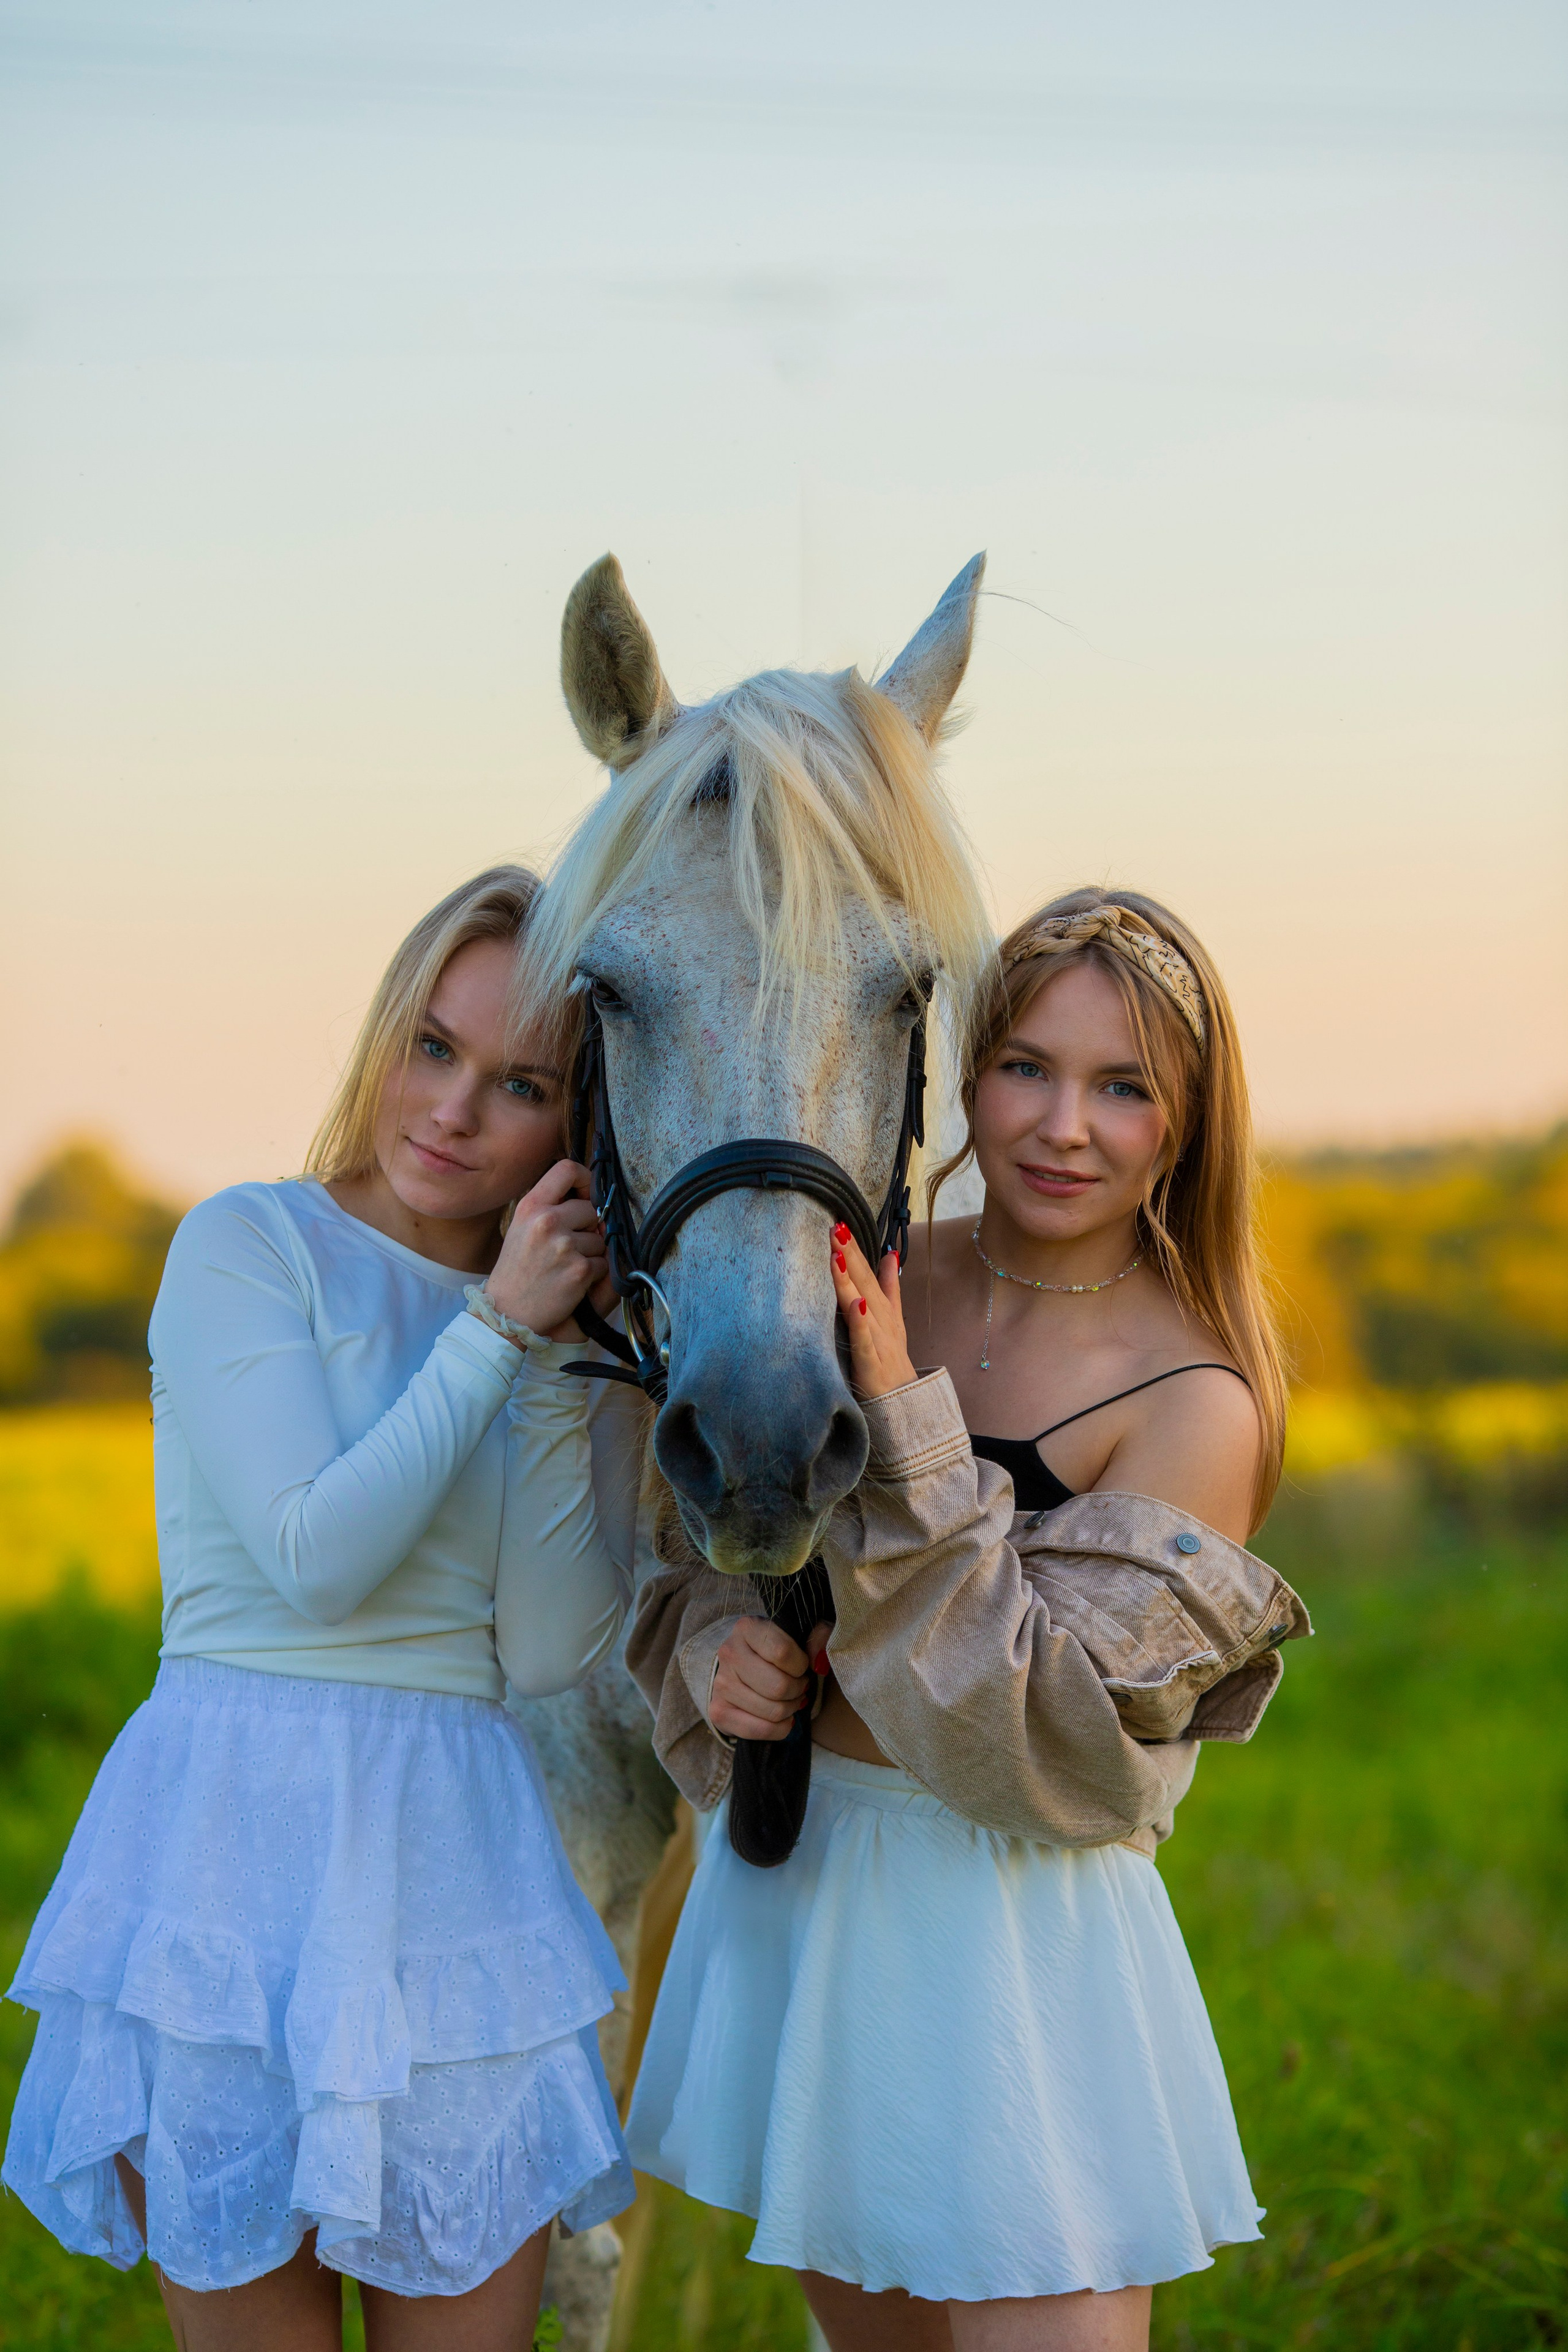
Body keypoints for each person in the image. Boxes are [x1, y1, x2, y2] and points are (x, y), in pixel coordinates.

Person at [624, 888, 1310, 2352]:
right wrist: (723, 1660)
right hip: (818, 1887)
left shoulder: (1195, 1399)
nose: (1063, 1126)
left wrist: (904, 1419)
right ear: (960, 1073)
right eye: (1027, 1069)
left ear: (1182, 1128)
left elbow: (1046, 1744)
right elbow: (708, 1550)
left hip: (1015, 1932)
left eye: (1122, 1089)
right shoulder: (869, 1278)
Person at [4, 867, 646, 2350]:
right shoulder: (249, 1246)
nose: (453, 1110)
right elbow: (313, 1559)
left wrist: (547, 1356)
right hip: (237, 1846)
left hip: (456, 1869)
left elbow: (547, 1648)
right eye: (432, 1047)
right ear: (383, 1034)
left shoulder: (541, 1322)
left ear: (575, 1128)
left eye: (521, 1084)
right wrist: (495, 1333)